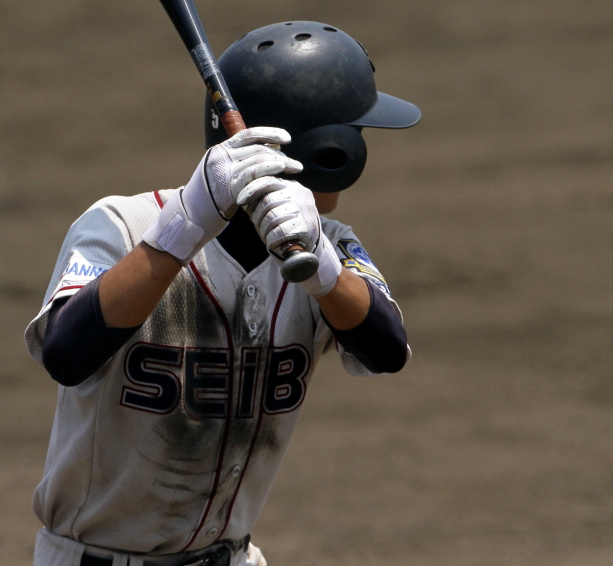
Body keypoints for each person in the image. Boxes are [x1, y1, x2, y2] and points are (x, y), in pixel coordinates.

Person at [24, 21, 420, 566]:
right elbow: (65, 353)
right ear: (326, 148)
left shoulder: (328, 247)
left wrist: (325, 270)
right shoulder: (122, 225)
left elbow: (388, 349)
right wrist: (180, 230)